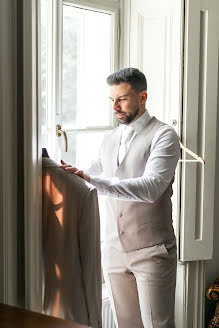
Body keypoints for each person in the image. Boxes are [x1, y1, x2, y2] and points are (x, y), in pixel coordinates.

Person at [61, 67, 180, 328]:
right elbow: (85, 176)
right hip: (113, 249)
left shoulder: (164, 135)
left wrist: (93, 181)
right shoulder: (109, 138)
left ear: (143, 97)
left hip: (152, 249)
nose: (115, 107)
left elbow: (151, 188)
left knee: (158, 325)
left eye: (122, 99)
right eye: (111, 100)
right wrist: (54, 171)